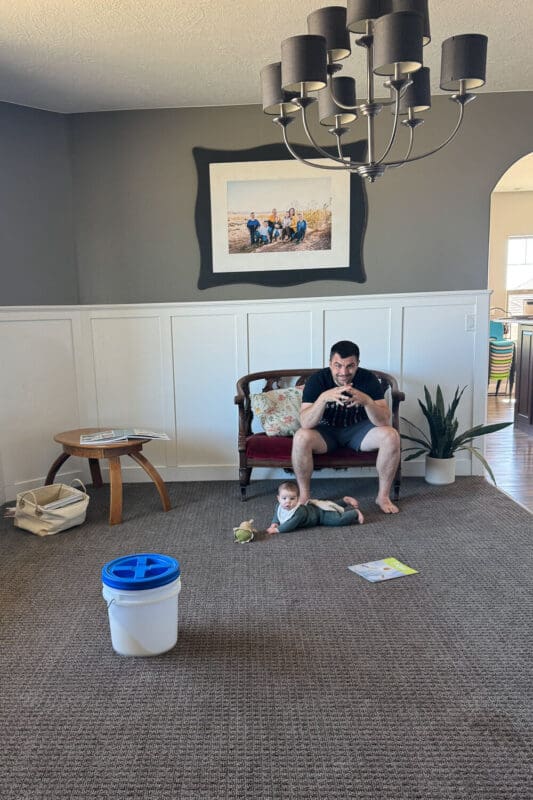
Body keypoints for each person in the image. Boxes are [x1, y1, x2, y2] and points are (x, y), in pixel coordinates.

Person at [291, 340, 401, 514]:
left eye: (350, 366)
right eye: (338, 366)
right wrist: (323, 398)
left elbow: (384, 421)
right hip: (325, 433)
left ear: (357, 364)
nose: (343, 372)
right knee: (301, 436)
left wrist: (367, 401)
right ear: (330, 364)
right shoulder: (317, 380)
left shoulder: (368, 379)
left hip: (359, 431)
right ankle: (304, 496)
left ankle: (383, 496)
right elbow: (306, 423)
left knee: (391, 435)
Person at [266, 481, 363, 534]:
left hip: (320, 515)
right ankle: (344, 501)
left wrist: (277, 529)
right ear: (278, 499)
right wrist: (275, 523)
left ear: (298, 499)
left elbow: (291, 524)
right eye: (284, 498)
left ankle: (354, 513)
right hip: (314, 507)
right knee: (329, 505)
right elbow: (277, 515)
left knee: (336, 520)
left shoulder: (299, 511)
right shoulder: (278, 506)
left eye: (292, 498)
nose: (288, 501)